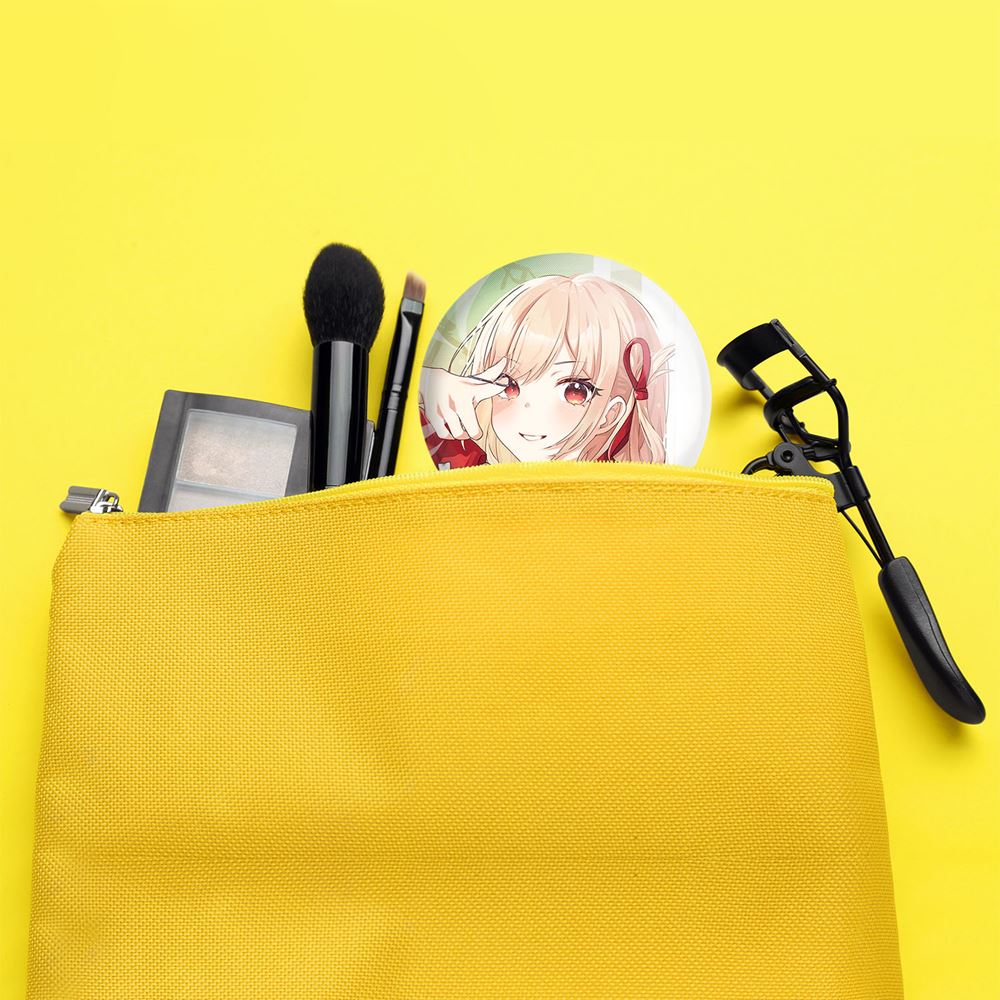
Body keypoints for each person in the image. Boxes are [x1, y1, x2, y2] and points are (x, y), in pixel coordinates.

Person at [419, 273, 673, 468]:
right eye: (508, 385)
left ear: (611, 413)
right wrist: (432, 385)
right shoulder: (467, 459)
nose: (529, 408)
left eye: (574, 391)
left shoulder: (619, 491)